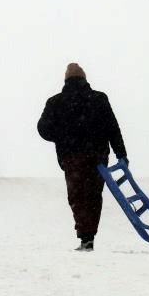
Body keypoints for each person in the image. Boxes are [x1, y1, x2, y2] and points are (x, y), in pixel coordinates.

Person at [38, 63, 127, 251]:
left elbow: (43, 129)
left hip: (72, 157)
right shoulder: (99, 99)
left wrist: (62, 136)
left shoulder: (56, 102)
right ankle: (89, 236)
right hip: (98, 157)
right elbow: (113, 128)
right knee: (94, 196)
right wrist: (121, 154)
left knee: (77, 197)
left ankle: (84, 235)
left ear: (65, 80)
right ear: (85, 79)